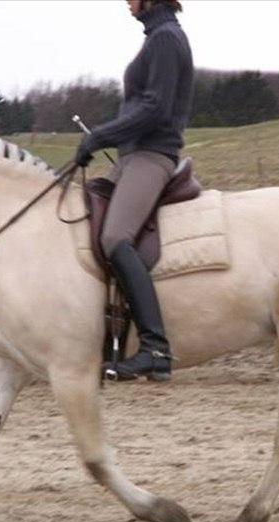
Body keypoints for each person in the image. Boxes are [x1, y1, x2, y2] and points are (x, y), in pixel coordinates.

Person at [74, 0, 193, 382]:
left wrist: (101, 136)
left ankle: (155, 347)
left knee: (114, 238)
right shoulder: (155, 37)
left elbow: (155, 110)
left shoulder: (166, 39)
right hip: (131, 156)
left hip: (152, 155)